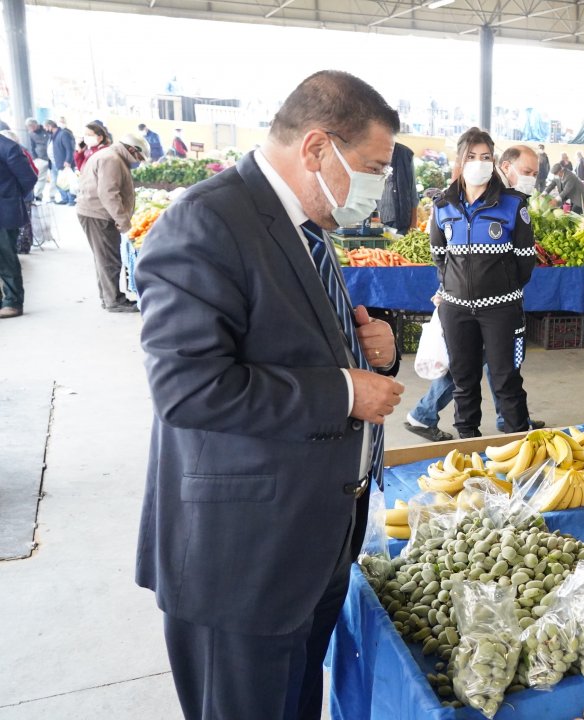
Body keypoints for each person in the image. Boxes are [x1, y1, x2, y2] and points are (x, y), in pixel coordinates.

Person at [134, 71, 405, 720]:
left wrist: (371, 350)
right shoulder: (205, 222)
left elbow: (292, 338)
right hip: (241, 563)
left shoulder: (306, 226)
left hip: (311, 547)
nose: (379, 189)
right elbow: (189, 389)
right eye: (372, 167)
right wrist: (344, 391)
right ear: (317, 148)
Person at [429, 127, 535, 438]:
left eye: (486, 156)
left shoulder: (513, 205)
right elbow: (439, 256)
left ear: (494, 161)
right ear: (460, 161)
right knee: (464, 382)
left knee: (507, 382)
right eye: (472, 156)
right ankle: (467, 450)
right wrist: (450, 290)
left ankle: (521, 451)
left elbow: (525, 260)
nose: (479, 162)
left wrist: (503, 291)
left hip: (502, 310)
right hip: (456, 311)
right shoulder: (442, 206)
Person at [77, 134, 148, 313]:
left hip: (96, 213)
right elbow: (109, 194)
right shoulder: (112, 159)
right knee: (109, 259)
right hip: (98, 214)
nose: (138, 161)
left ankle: (108, 298)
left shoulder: (112, 156)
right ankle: (114, 300)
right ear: (132, 150)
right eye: (139, 157)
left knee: (104, 258)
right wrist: (123, 222)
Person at [0, 132, 36, 318]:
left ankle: (13, 302)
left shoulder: (7, 147)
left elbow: (29, 178)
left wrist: (10, 197)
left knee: (6, 258)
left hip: (4, 212)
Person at [378, 142, 418, 234]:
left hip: (398, 224)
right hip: (374, 223)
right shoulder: (367, 149)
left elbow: (413, 194)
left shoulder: (404, 154)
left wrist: (413, 225)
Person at [44, 120, 76, 204]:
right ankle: (64, 198)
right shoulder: (52, 135)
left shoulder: (63, 134)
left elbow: (69, 149)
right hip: (54, 162)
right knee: (59, 182)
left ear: (50, 126)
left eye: (46, 128)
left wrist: (68, 160)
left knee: (68, 181)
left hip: (63, 162)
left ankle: (71, 199)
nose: (45, 130)